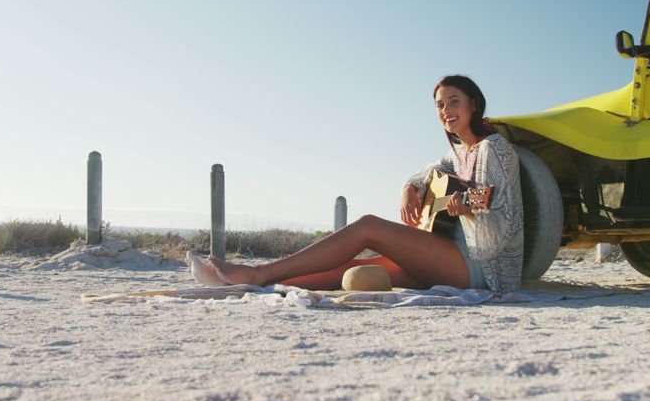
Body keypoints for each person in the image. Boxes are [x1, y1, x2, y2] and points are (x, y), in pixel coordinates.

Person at [189, 75, 524, 293]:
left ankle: (259, 273)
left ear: (473, 104)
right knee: (353, 271)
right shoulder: (457, 154)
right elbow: (426, 173)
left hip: (485, 269)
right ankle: (242, 285)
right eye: (440, 105)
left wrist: (466, 212)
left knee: (367, 226)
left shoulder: (493, 149)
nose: (446, 110)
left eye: (454, 102)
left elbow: (503, 228)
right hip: (452, 259)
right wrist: (410, 188)